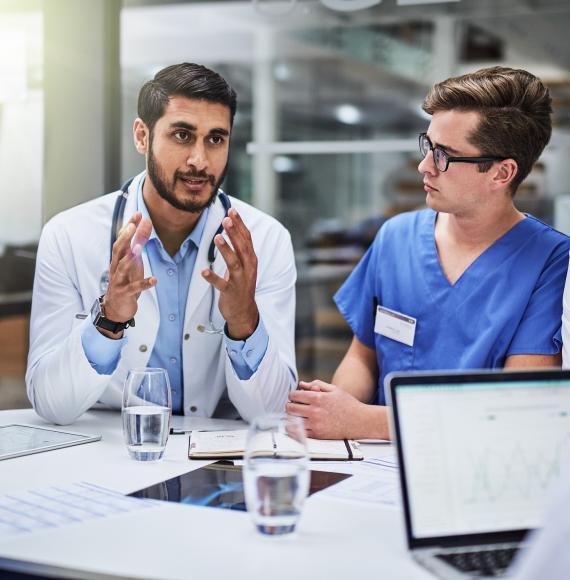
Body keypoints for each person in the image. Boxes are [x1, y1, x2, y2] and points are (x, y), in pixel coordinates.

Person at [288, 66, 570, 440]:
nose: (424, 166)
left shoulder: (550, 262)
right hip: (375, 463)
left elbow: (518, 408)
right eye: (428, 146)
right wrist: (334, 410)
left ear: (502, 174)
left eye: (445, 156)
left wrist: (363, 421)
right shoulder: (396, 237)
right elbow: (363, 355)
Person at [27, 63, 296, 425]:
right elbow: (51, 404)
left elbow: (273, 412)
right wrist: (109, 320)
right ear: (142, 136)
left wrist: (244, 320)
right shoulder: (68, 235)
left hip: (216, 455)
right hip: (107, 451)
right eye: (182, 135)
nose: (199, 161)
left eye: (216, 139)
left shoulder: (267, 240)